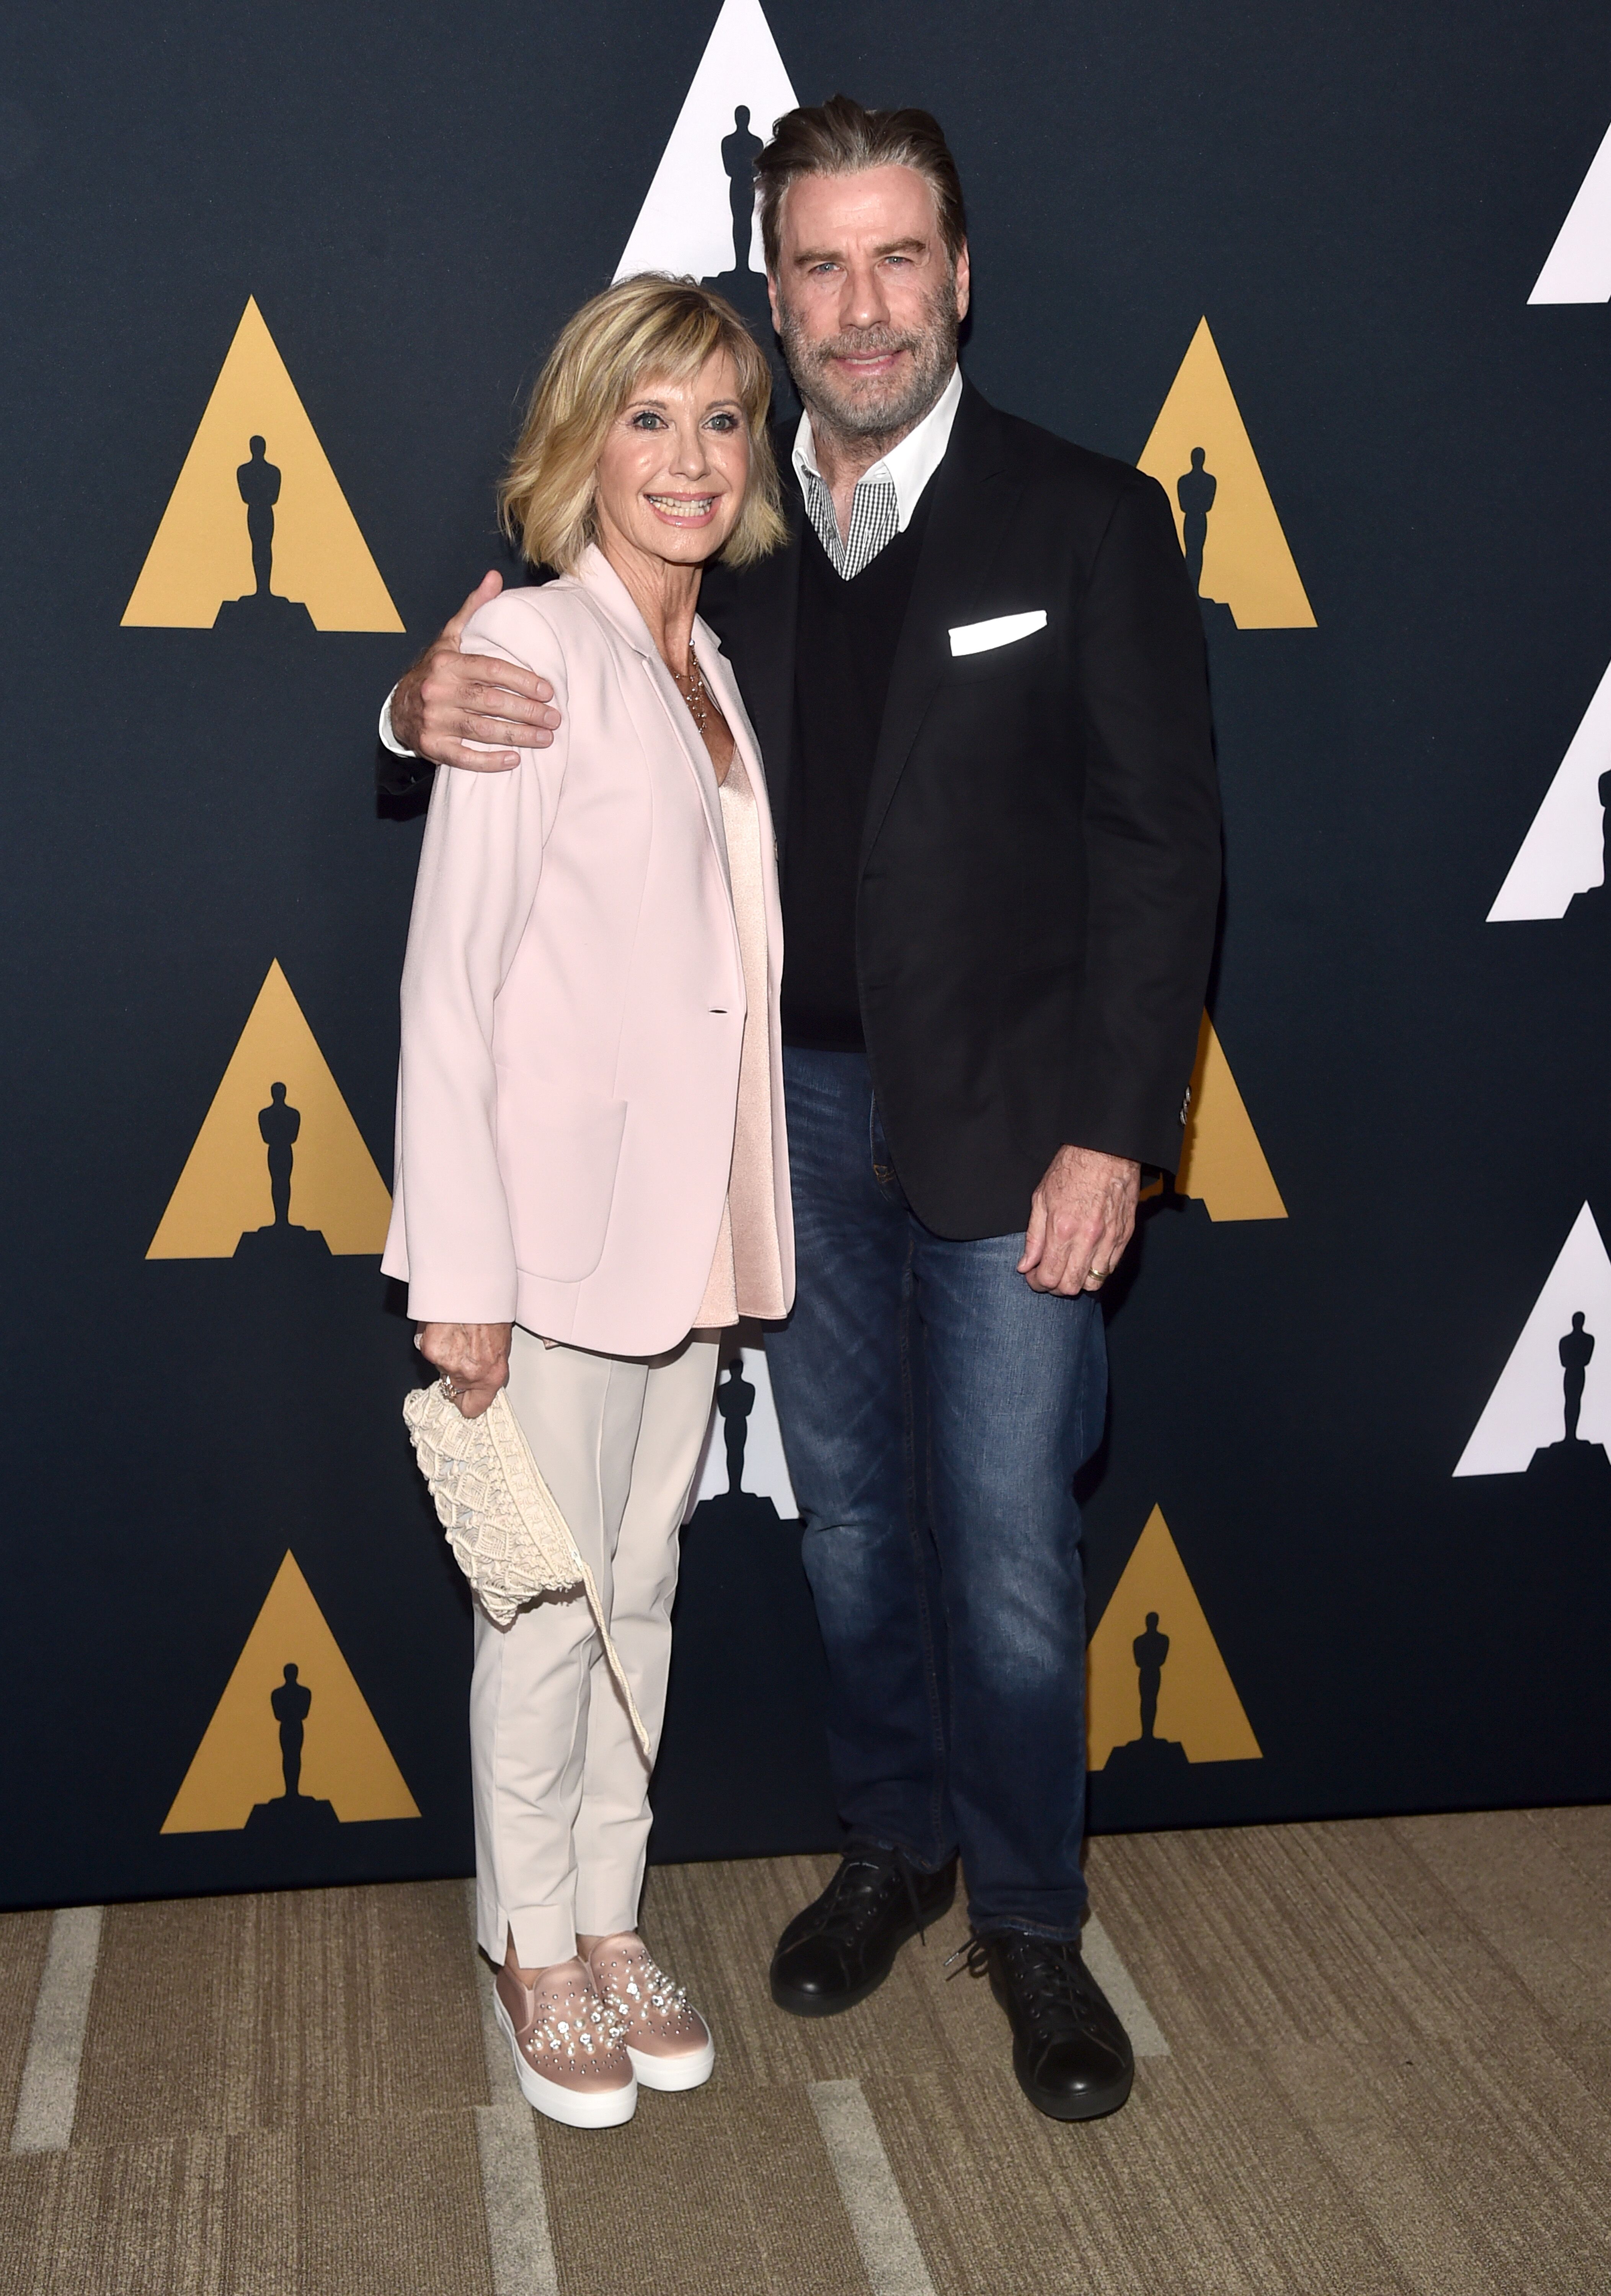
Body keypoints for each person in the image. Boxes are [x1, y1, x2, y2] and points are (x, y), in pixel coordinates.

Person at [380, 98, 1220, 2125]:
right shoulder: (717, 543)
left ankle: (1024, 1916)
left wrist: (1117, 1127)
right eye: (820, 268)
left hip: (1019, 1134)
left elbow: (1162, 850)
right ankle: (891, 1846)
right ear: (779, 292)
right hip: (769, 1142)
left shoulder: (1085, 519)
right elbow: (534, 682)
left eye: (896, 259)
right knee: (846, 1531)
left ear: (956, 275)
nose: (861, 307)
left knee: (1010, 1540)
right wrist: (411, 702)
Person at [385, 275, 792, 2130]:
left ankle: (613, 1919)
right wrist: (459, 1270)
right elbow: (449, 987)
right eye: (651, 419)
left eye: (721, 419)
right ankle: (531, 1938)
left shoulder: (701, 663)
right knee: (545, 1607)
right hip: (545, 1244)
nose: (691, 457)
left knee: (646, 1584)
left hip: (682, 1228)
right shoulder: (530, 650)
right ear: (581, 442)